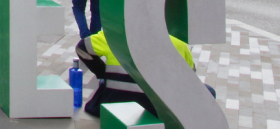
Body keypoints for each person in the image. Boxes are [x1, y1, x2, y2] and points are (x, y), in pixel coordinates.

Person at [75, 29, 213, 118]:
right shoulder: (179, 45)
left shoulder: (114, 36)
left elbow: (82, 48)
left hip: (113, 107)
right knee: (208, 91)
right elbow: (190, 83)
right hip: (155, 112)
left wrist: (102, 73)